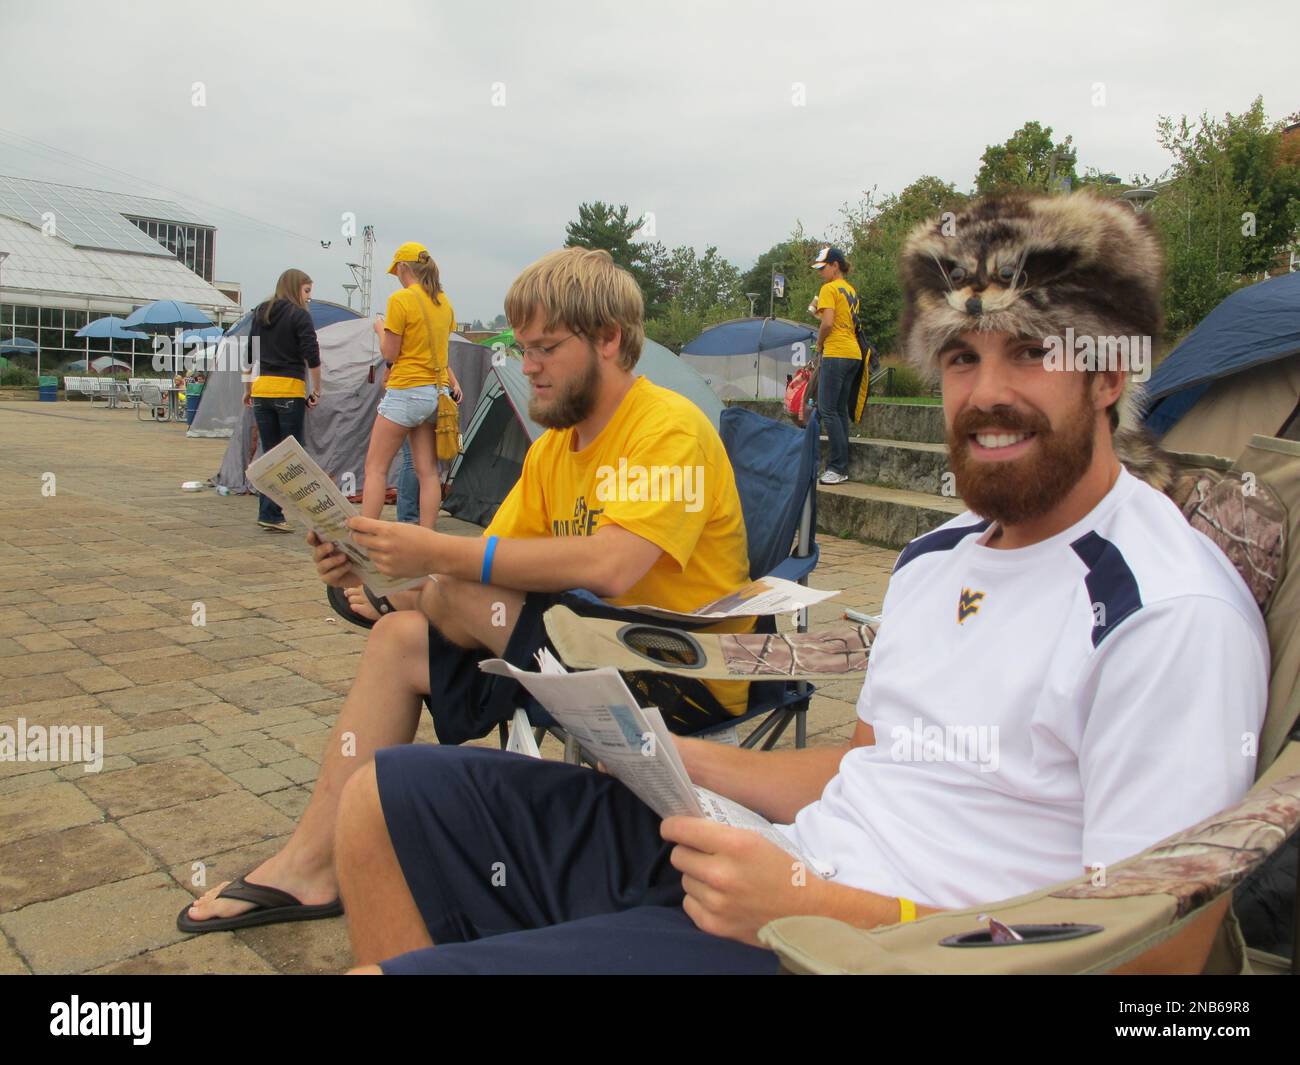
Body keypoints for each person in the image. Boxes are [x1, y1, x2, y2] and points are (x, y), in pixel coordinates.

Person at [331, 192, 1269, 975]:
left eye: (1030, 352)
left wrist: (813, 906)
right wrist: (673, 762)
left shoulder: (1164, 613)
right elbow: (863, 767)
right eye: (960, 357)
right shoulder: (939, 556)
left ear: (1108, 376)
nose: (986, 394)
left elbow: (1153, 963)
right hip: (777, 869)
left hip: (867, 950)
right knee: (388, 799)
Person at [177, 247, 755, 934]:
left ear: (608, 340)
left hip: (676, 668)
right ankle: (312, 863)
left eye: (546, 348)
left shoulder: (667, 427)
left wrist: (430, 556)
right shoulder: (552, 451)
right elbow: (483, 570)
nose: (527, 364)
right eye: (522, 347)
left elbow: (613, 565)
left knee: (453, 592)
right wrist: (369, 564)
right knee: (401, 635)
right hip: (581, 654)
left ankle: (395, 603)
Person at [362, 242, 461, 527]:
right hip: (437, 392)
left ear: (404, 268)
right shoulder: (444, 303)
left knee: (375, 468)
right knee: (428, 472)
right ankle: (426, 538)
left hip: (406, 391)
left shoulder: (400, 300)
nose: (397, 277)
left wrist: (380, 328)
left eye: (397, 272)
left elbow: (390, 353)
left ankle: (365, 536)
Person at [243, 268, 321, 532]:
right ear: (296, 287)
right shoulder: (300, 316)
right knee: (291, 457)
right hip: (289, 391)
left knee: (271, 454)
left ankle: (270, 512)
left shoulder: (261, 312)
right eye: (307, 290)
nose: (309, 297)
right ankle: (290, 511)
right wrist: (317, 390)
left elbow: (249, 354)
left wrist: (248, 389)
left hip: (262, 391)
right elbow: (312, 356)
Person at [811, 246, 864, 485]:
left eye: (823, 268)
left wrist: (819, 344)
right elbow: (842, 322)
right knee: (840, 411)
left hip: (836, 352)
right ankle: (842, 465)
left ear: (835, 265)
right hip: (853, 354)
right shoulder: (850, 290)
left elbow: (828, 324)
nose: (821, 272)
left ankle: (836, 467)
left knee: (827, 410)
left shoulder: (828, 289)